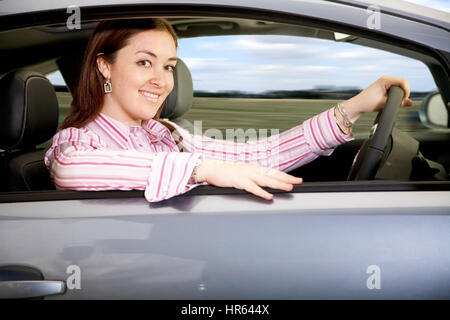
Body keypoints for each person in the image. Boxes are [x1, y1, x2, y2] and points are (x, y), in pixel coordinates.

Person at [45, 18, 413, 202]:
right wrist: (205, 168)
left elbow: (259, 153)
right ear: (104, 66)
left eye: (169, 66)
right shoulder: (77, 142)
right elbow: (71, 170)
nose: (162, 80)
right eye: (145, 62)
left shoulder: (167, 133)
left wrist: (353, 108)